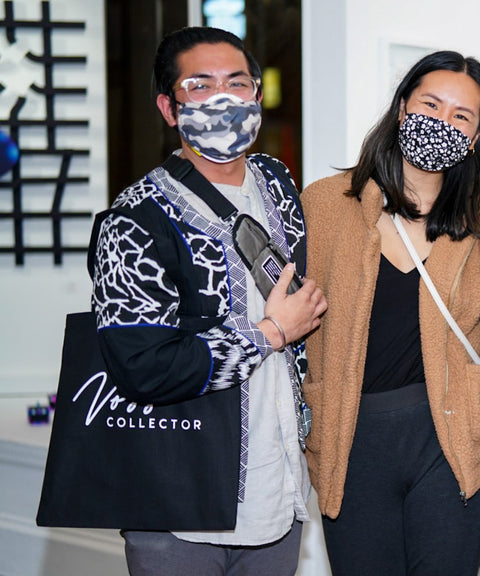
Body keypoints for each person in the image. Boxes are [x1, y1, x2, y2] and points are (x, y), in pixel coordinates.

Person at [91, 27, 327, 575]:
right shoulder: (136, 219)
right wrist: (271, 333)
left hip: (279, 490)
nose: (223, 98)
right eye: (199, 86)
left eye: (237, 83)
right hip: (179, 502)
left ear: (257, 97)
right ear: (169, 109)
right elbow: (142, 368)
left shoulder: (275, 181)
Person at [301, 51, 480, 576]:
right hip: (352, 439)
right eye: (430, 104)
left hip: (451, 438)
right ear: (401, 108)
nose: (442, 122)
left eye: (461, 115)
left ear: (476, 137)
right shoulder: (325, 205)